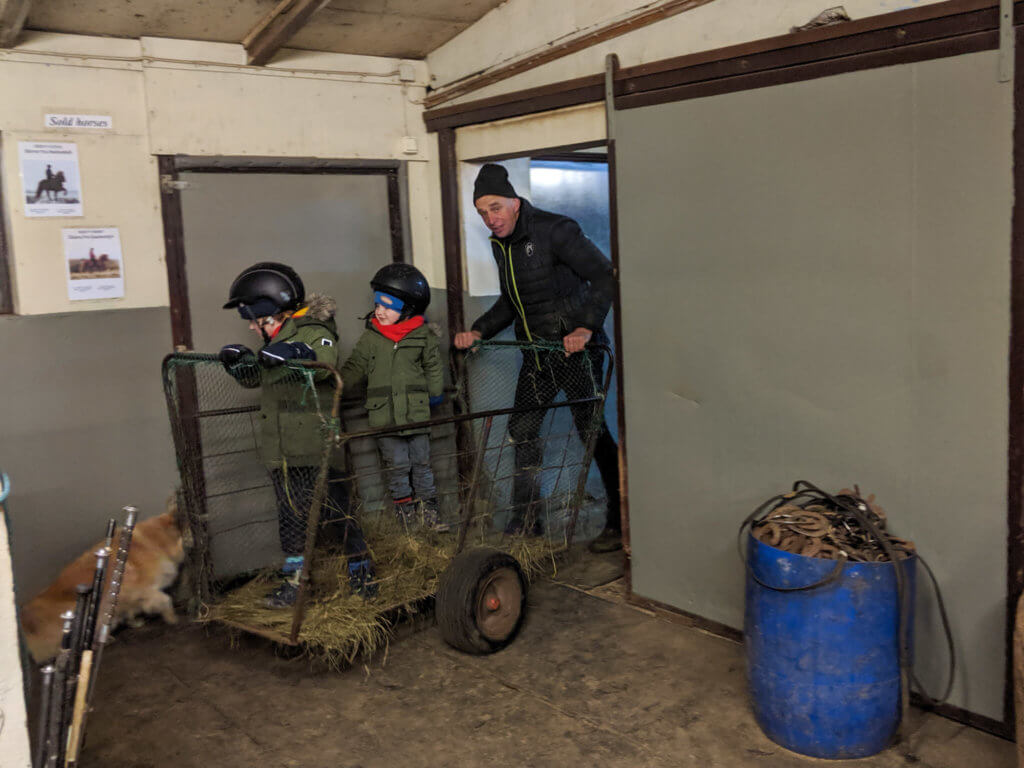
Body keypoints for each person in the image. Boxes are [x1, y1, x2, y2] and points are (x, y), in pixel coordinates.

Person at [454, 163, 622, 553]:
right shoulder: (503, 245)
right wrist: (479, 330)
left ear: (515, 202)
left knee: (592, 433)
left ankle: (618, 519)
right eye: (482, 212)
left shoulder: (556, 230)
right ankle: (526, 518)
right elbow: (513, 302)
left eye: (495, 208)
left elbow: (604, 276)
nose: (490, 219)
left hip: (577, 352)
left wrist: (585, 329)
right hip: (538, 356)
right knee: (523, 430)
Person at [218, 262, 377, 607]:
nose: (250, 326)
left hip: (314, 445)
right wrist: (241, 364)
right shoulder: (274, 339)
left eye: (254, 319)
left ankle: (362, 571)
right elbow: (257, 379)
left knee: (337, 510)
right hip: (281, 446)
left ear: (272, 312)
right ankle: (294, 583)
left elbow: (325, 360)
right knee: (290, 515)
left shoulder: (312, 329)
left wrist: (297, 354)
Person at [340, 264, 446, 530]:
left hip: (416, 414)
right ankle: (407, 523)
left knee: (422, 464)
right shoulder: (371, 338)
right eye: (378, 305)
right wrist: (335, 385)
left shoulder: (422, 336)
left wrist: (435, 392)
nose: (380, 311)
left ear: (407, 308)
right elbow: (355, 366)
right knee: (397, 467)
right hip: (385, 416)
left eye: (388, 306)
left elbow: (433, 366)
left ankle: (429, 517)